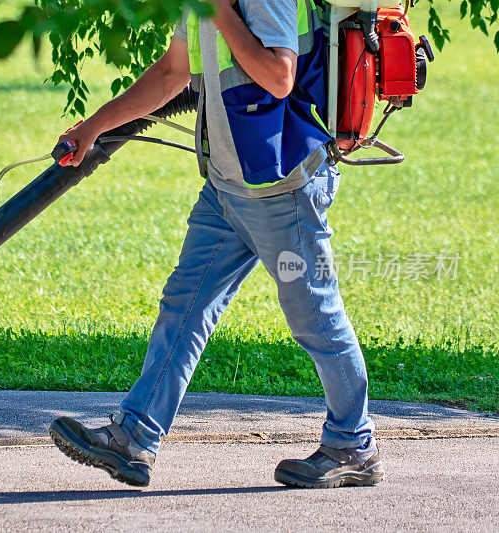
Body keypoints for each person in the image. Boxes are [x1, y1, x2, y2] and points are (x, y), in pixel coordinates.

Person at [48, 0, 383, 489]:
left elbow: (279, 76)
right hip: (227, 189)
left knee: (315, 315)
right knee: (183, 307)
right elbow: (170, 73)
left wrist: (222, 11)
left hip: (281, 191)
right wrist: (93, 126)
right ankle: (134, 437)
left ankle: (353, 443)